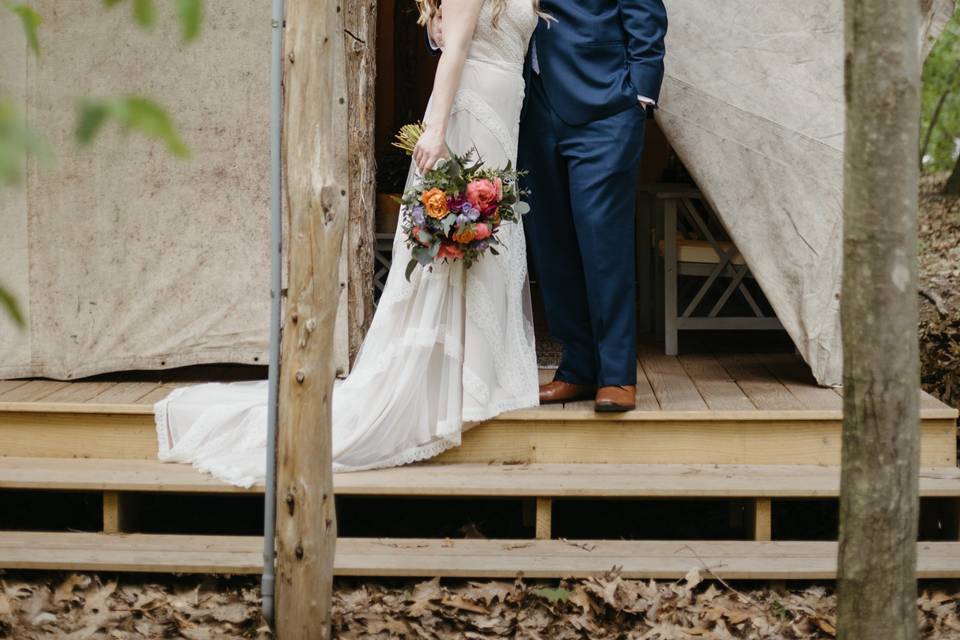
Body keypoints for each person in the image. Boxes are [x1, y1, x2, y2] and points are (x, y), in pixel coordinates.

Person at [154, 0, 543, 486]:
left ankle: (482, 373)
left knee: (489, 238)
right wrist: (438, 129)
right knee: (465, 238)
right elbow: (456, 49)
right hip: (472, 113)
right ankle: (457, 384)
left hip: (505, 112)